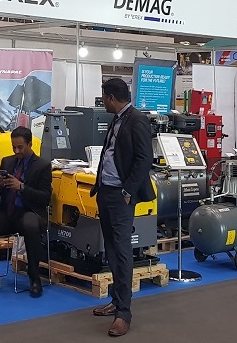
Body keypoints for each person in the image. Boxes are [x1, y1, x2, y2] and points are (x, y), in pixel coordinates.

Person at [89, 78, 154, 337]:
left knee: (122, 251)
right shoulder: (117, 119)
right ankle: (116, 301)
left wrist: (128, 190)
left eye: (104, 98)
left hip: (120, 196)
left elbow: (144, 159)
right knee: (112, 250)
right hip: (106, 192)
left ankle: (124, 313)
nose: (103, 102)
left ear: (112, 98)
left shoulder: (137, 120)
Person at [0, 126, 51, 298]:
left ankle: (34, 277)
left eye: (20, 147)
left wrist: (21, 187)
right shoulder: (7, 162)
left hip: (29, 211)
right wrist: (0, 184)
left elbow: (45, 198)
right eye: (14, 147)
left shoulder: (42, 166)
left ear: (30, 145)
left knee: (30, 225)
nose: (17, 151)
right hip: (7, 212)